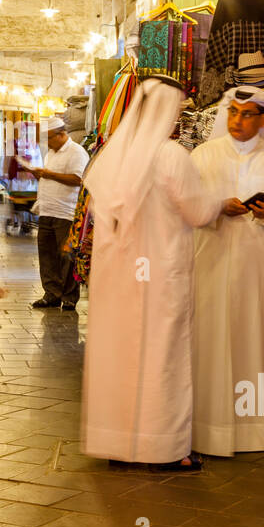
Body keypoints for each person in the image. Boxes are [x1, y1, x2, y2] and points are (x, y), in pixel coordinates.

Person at [80, 76, 220, 469]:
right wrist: (220, 202)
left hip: (117, 280)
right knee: (162, 358)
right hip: (160, 276)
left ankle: (118, 445)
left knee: (119, 356)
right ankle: (163, 449)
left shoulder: (111, 158)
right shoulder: (171, 156)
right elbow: (198, 211)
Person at [190, 85, 264, 458]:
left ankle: (253, 432)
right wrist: (215, 207)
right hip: (210, 265)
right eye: (232, 113)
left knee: (255, 341)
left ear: (263, 119)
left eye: (246, 114)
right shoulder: (202, 155)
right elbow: (184, 204)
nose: (237, 121)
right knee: (209, 343)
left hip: (259, 268)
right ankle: (205, 432)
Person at [23, 116, 89, 310]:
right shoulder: (51, 153)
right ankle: (51, 294)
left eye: (50, 138)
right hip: (47, 210)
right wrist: (40, 175)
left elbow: (78, 179)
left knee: (66, 257)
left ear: (62, 134)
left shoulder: (77, 152)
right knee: (47, 255)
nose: (48, 143)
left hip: (66, 213)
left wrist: (48, 174)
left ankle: (69, 297)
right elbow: (50, 176)